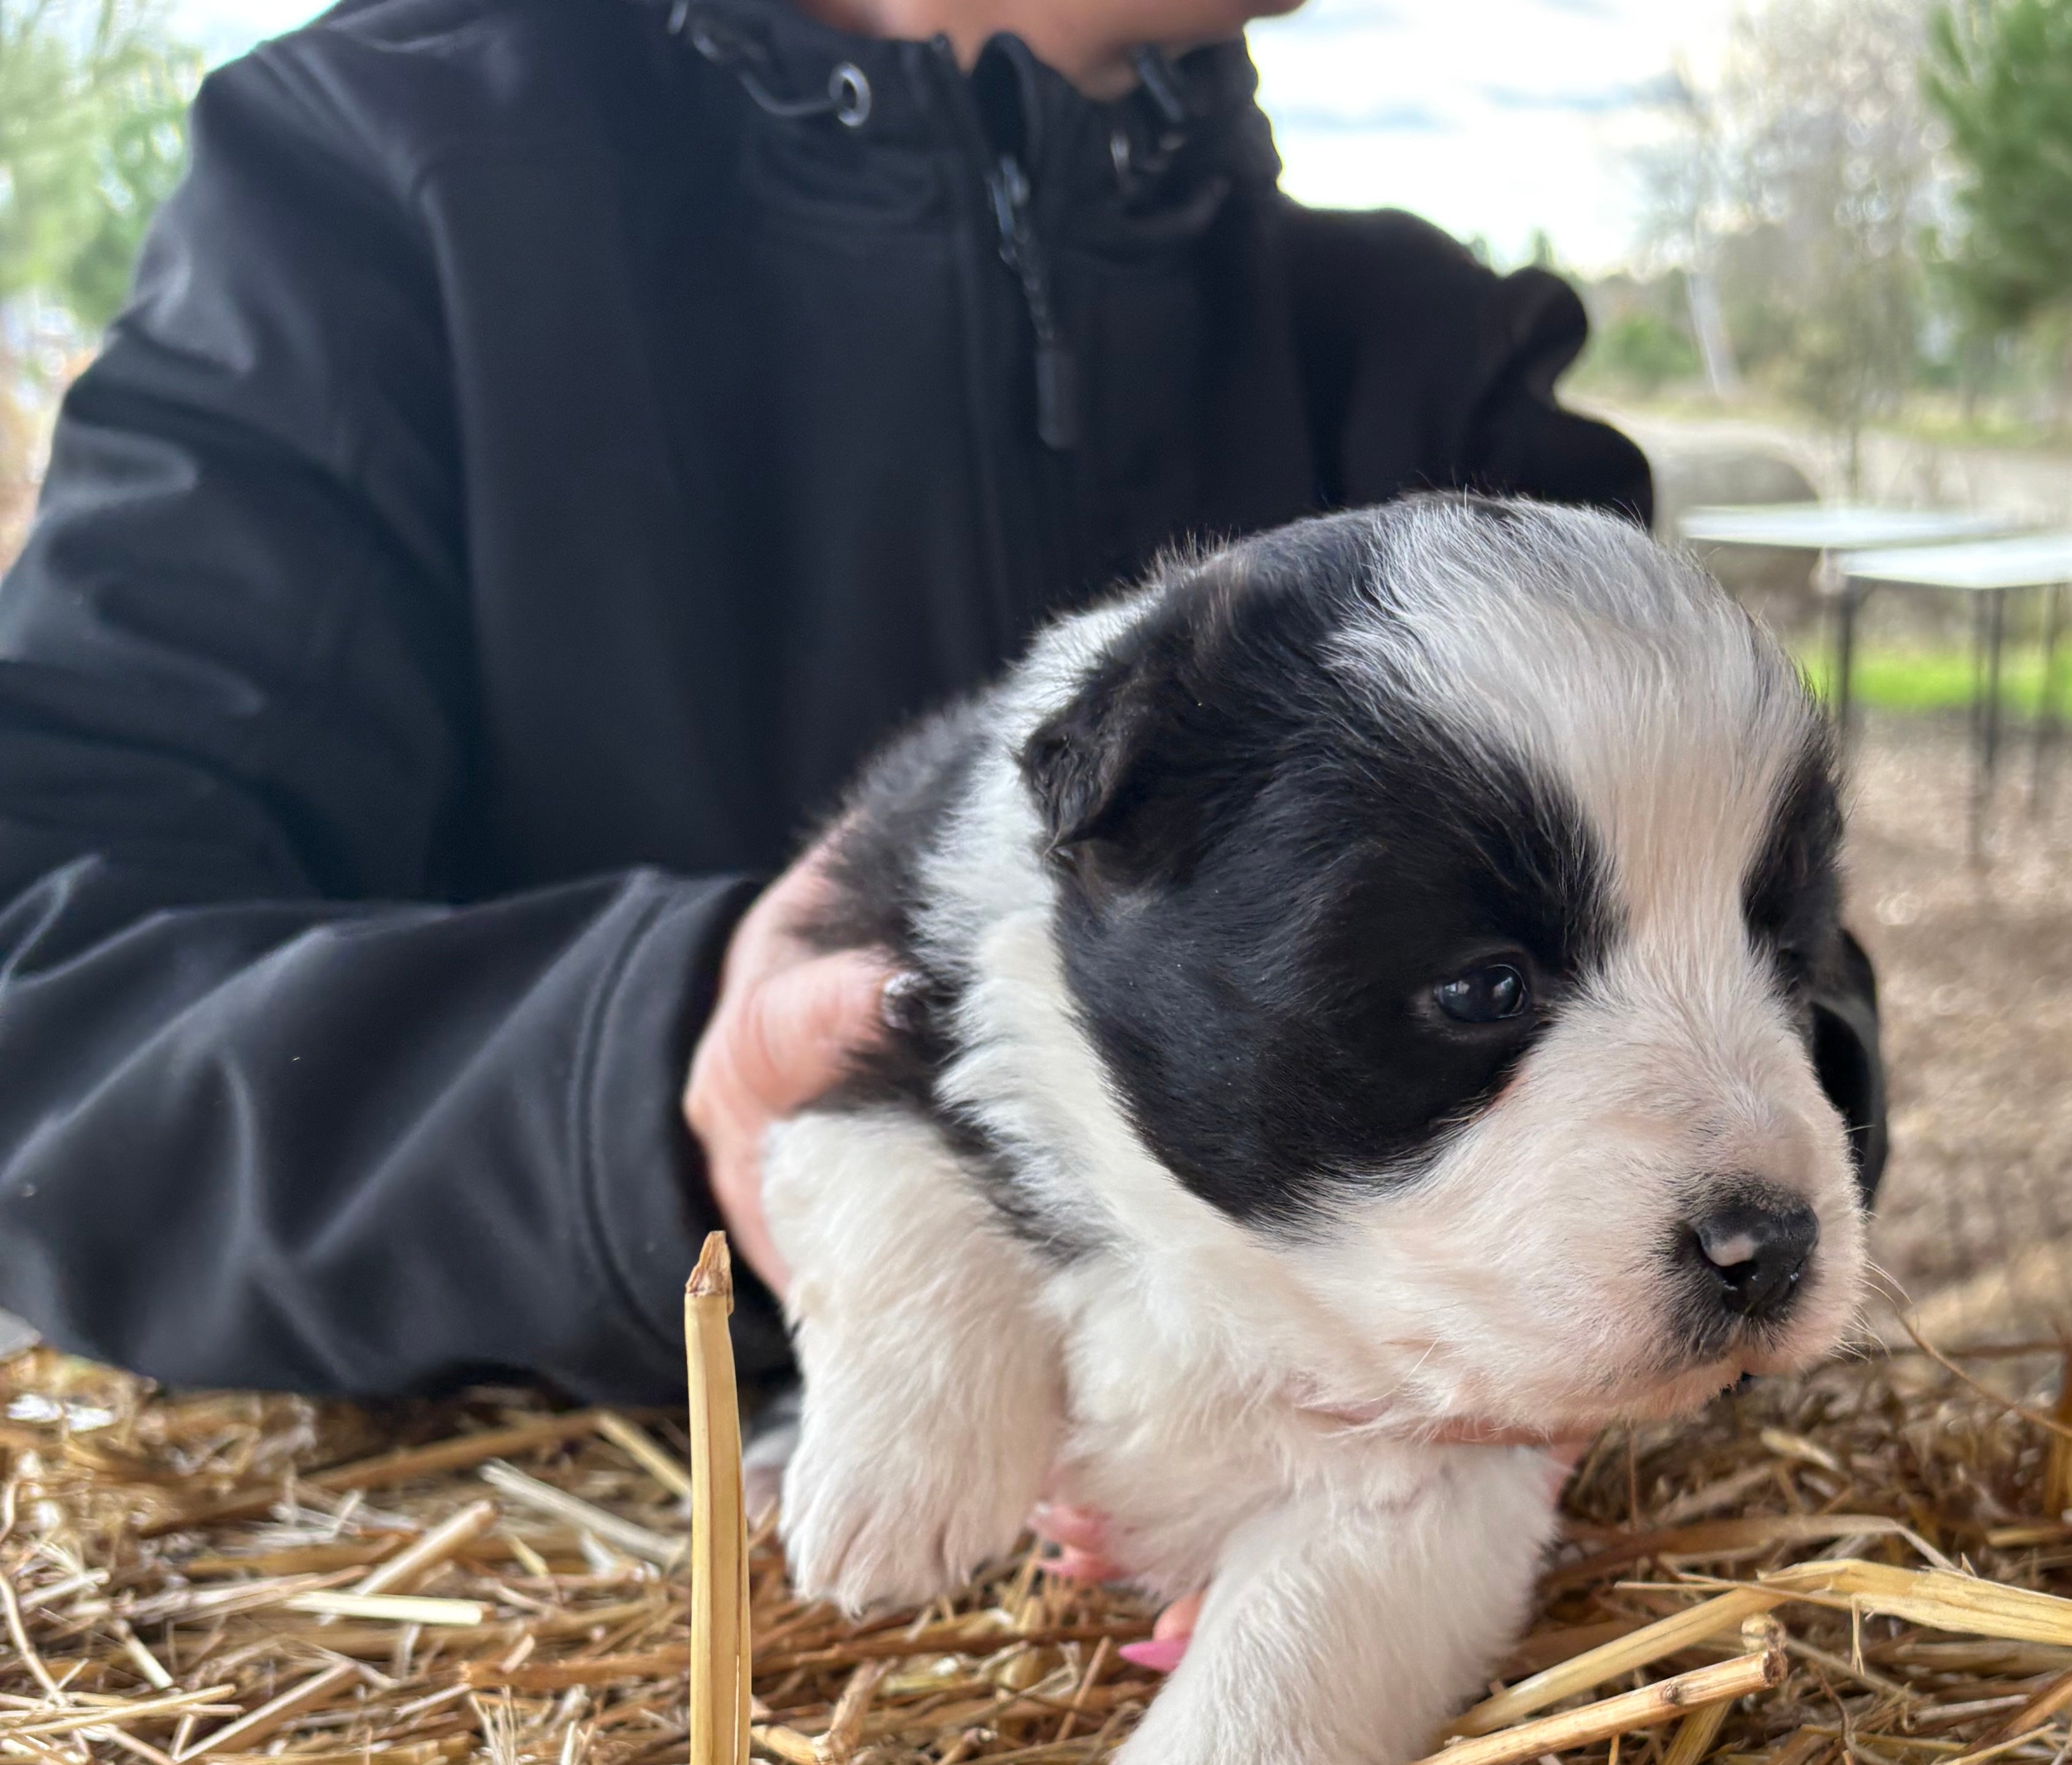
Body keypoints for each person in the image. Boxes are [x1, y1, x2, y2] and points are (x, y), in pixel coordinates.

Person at [0, 0, 1651, 1403]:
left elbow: (1774, 1014)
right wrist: (644, 1085)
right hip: (611, 1594)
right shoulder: (362, 190)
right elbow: (49, 1011)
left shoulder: (1427, 358)